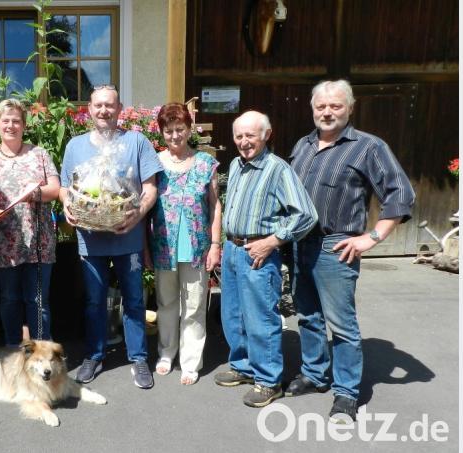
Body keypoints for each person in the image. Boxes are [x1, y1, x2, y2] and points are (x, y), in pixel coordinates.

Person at [286, 80, 415, 423]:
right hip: (300, 245)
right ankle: (314, 375)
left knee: (341, 325)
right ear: (313, 109)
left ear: (350, 108)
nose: (327, 112)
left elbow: (400, 194)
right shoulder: (303, 144)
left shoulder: (368, 147)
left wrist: (371, 237)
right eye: (321, 107)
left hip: (336, 247)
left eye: (335, 106)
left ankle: (345, 393)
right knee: (308, 317)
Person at [59, 85, 163, 389]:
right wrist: (67, 205)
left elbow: (151, 186)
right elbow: (66, 187)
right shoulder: (75, 146)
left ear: (120, 109)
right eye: (98, 105)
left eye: (110, 105)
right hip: (90, 238)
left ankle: (139, 357)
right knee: (94, 300)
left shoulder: (137, 142)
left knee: (133, 299)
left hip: (127, 236)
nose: (104, 111)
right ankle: (94, 354)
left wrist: (137, 214)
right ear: (89, 109)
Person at [214, 110, 317, 408]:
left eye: (250, 135)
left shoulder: (278, 169)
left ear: (266, 135)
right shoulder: (235, 165)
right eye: (239, 136)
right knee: (233, 315)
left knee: (261, 318)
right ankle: (245, 367)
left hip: (258, 252)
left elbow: (306, 214)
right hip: (234, 251)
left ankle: (268, 380)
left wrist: (271, 242)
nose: (244, 142)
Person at [0, 98, 60, 347]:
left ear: (24, 125)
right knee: (10, 298)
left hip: (38, 242)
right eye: (6, 120)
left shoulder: (39, 155)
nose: (11, 125)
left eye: (16, 121)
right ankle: (13, 349)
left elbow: (55, 188)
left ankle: (43, 350)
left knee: (38, 301)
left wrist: (35, 194)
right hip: (3, 242)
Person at [146, 102, 221, 386]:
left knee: (194, 306)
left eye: (180, 129)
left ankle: (190, 361)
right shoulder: (154, 163)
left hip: (197, 248)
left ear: (189, 129)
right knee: (166, 303)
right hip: (163, 246)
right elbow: (146, 209)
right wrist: (144, 248)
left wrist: (215, 244)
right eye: (168, 131)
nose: (175, 136)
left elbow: (215, 206)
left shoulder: (205, 163)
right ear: (161, 132)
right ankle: (166, 353)